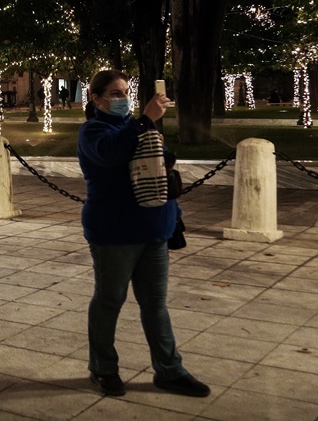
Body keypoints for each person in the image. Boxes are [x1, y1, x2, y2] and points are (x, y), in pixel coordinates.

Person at [77, 70, 209, 398]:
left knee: (155, 304)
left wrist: (173, 218)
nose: (124, 99)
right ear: (96, 99)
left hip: (154, 229)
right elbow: (112, 153)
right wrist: (146, 121)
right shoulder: (94, 131)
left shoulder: (135, 127)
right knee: (110, 301)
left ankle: (170, 370)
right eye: (116, 93)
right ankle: (103, 368)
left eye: (126, 93)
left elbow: (160, 167)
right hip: (115, 231)